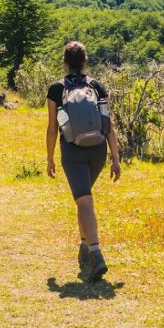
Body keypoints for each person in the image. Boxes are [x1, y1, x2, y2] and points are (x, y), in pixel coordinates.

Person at [46, 41, 121, 281]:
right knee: (83, 199)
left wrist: (49, 158)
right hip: (98, 151)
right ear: (85, 61)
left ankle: (96, 254)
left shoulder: (57, 89)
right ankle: (83, 245)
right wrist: (115, 158)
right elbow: (108, 124)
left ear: (65, 61)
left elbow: (52, 129)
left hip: (73, 151)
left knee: (84, 201)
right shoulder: (96, 86)